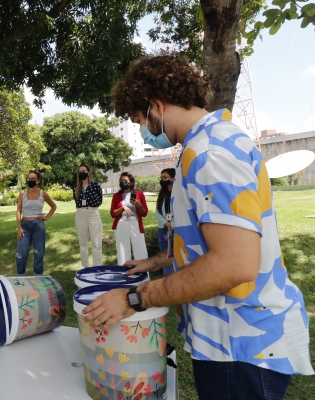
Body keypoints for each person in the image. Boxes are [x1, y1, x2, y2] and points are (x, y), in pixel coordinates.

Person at [83, 55, 313, 399]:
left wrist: (135, 298)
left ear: (155, 106)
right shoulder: (208, 144)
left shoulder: (210, 151)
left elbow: (235, 263)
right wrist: (157, 262)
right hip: (228, 341)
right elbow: (216, 237)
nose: (145, 133)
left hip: (240, 345)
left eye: (139, 120)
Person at [15, 170, 57, 276]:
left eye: (33, 179)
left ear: (38, 181)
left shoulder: (43, 194)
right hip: (25, 226)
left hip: (38, 226)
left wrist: (46, 217)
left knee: (39, 253)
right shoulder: (22, 193)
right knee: (20, 254)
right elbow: (19, 210)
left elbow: (53, 206)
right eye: (29, 178)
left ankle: (38, 276)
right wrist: (19, 227)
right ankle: (21, 276)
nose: (31, 180)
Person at [110, 172, 148, 264]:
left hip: (135, 223)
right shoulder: (116, 196)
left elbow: (145, 213)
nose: (123, 182)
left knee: (141, 250)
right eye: (121, 180)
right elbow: (113, 213)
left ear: (131, 182)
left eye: (125, 180)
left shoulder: (139, 194)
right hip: (121, 223)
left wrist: (139, 206)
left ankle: (143, 276)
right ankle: (124, 274)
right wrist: (122, 208)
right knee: (122, 251)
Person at [74, 164, 103, 267]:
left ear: (89, 172)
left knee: (96, 243)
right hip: (80, 214)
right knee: (82, 243)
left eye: (84, 170)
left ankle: (97, 267)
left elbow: (100, 200)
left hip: (93, 213)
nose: (82, 173)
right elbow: (76, 202)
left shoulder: (95, 185)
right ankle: (85, 267)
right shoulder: (77, 187)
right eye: (80, 171)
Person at [155, 168, 175, 276]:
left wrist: (172, 226)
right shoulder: (162, 194)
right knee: (165, 256)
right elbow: (157, 212)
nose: (162, 180)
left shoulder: (179, 194)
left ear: (173, 179)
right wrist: (166, 224)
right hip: (162, 228)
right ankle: (167, 279)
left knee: (177, 256)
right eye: (161, 177)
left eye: (165, 177)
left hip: (176, 229)